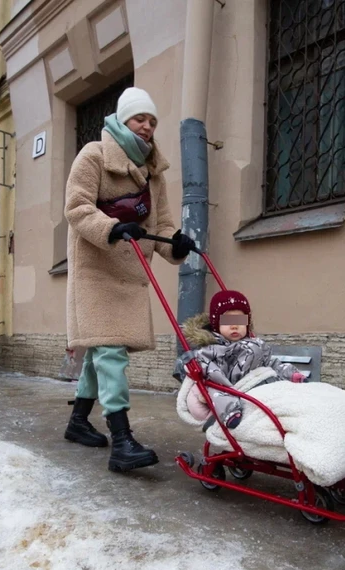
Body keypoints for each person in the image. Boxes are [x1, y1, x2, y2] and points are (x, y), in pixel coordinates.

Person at [63, 86, 197, 472]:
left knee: (98, 353)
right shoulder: (94, 155)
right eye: (140, 118)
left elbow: (165, 225)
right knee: (109, 355)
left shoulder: (154, 174)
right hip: (96, 272)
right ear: (122, 119)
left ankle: (77, 423)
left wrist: (178, 244)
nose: (147, 126)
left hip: (130, 273)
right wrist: (114, 227)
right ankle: (121, 441)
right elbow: (76, 207)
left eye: (153, 121)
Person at [177, 290, 306, 429]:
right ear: (217, 325)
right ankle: (229, 412)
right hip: (228, 388)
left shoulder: (255, 345)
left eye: (240, 320)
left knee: (284, 393)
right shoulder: (212, 349)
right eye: (227, 321)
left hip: (257, 387)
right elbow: (211, 372)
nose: (234, 326)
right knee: (214, 388)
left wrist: (290, 373)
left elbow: (271, 362)